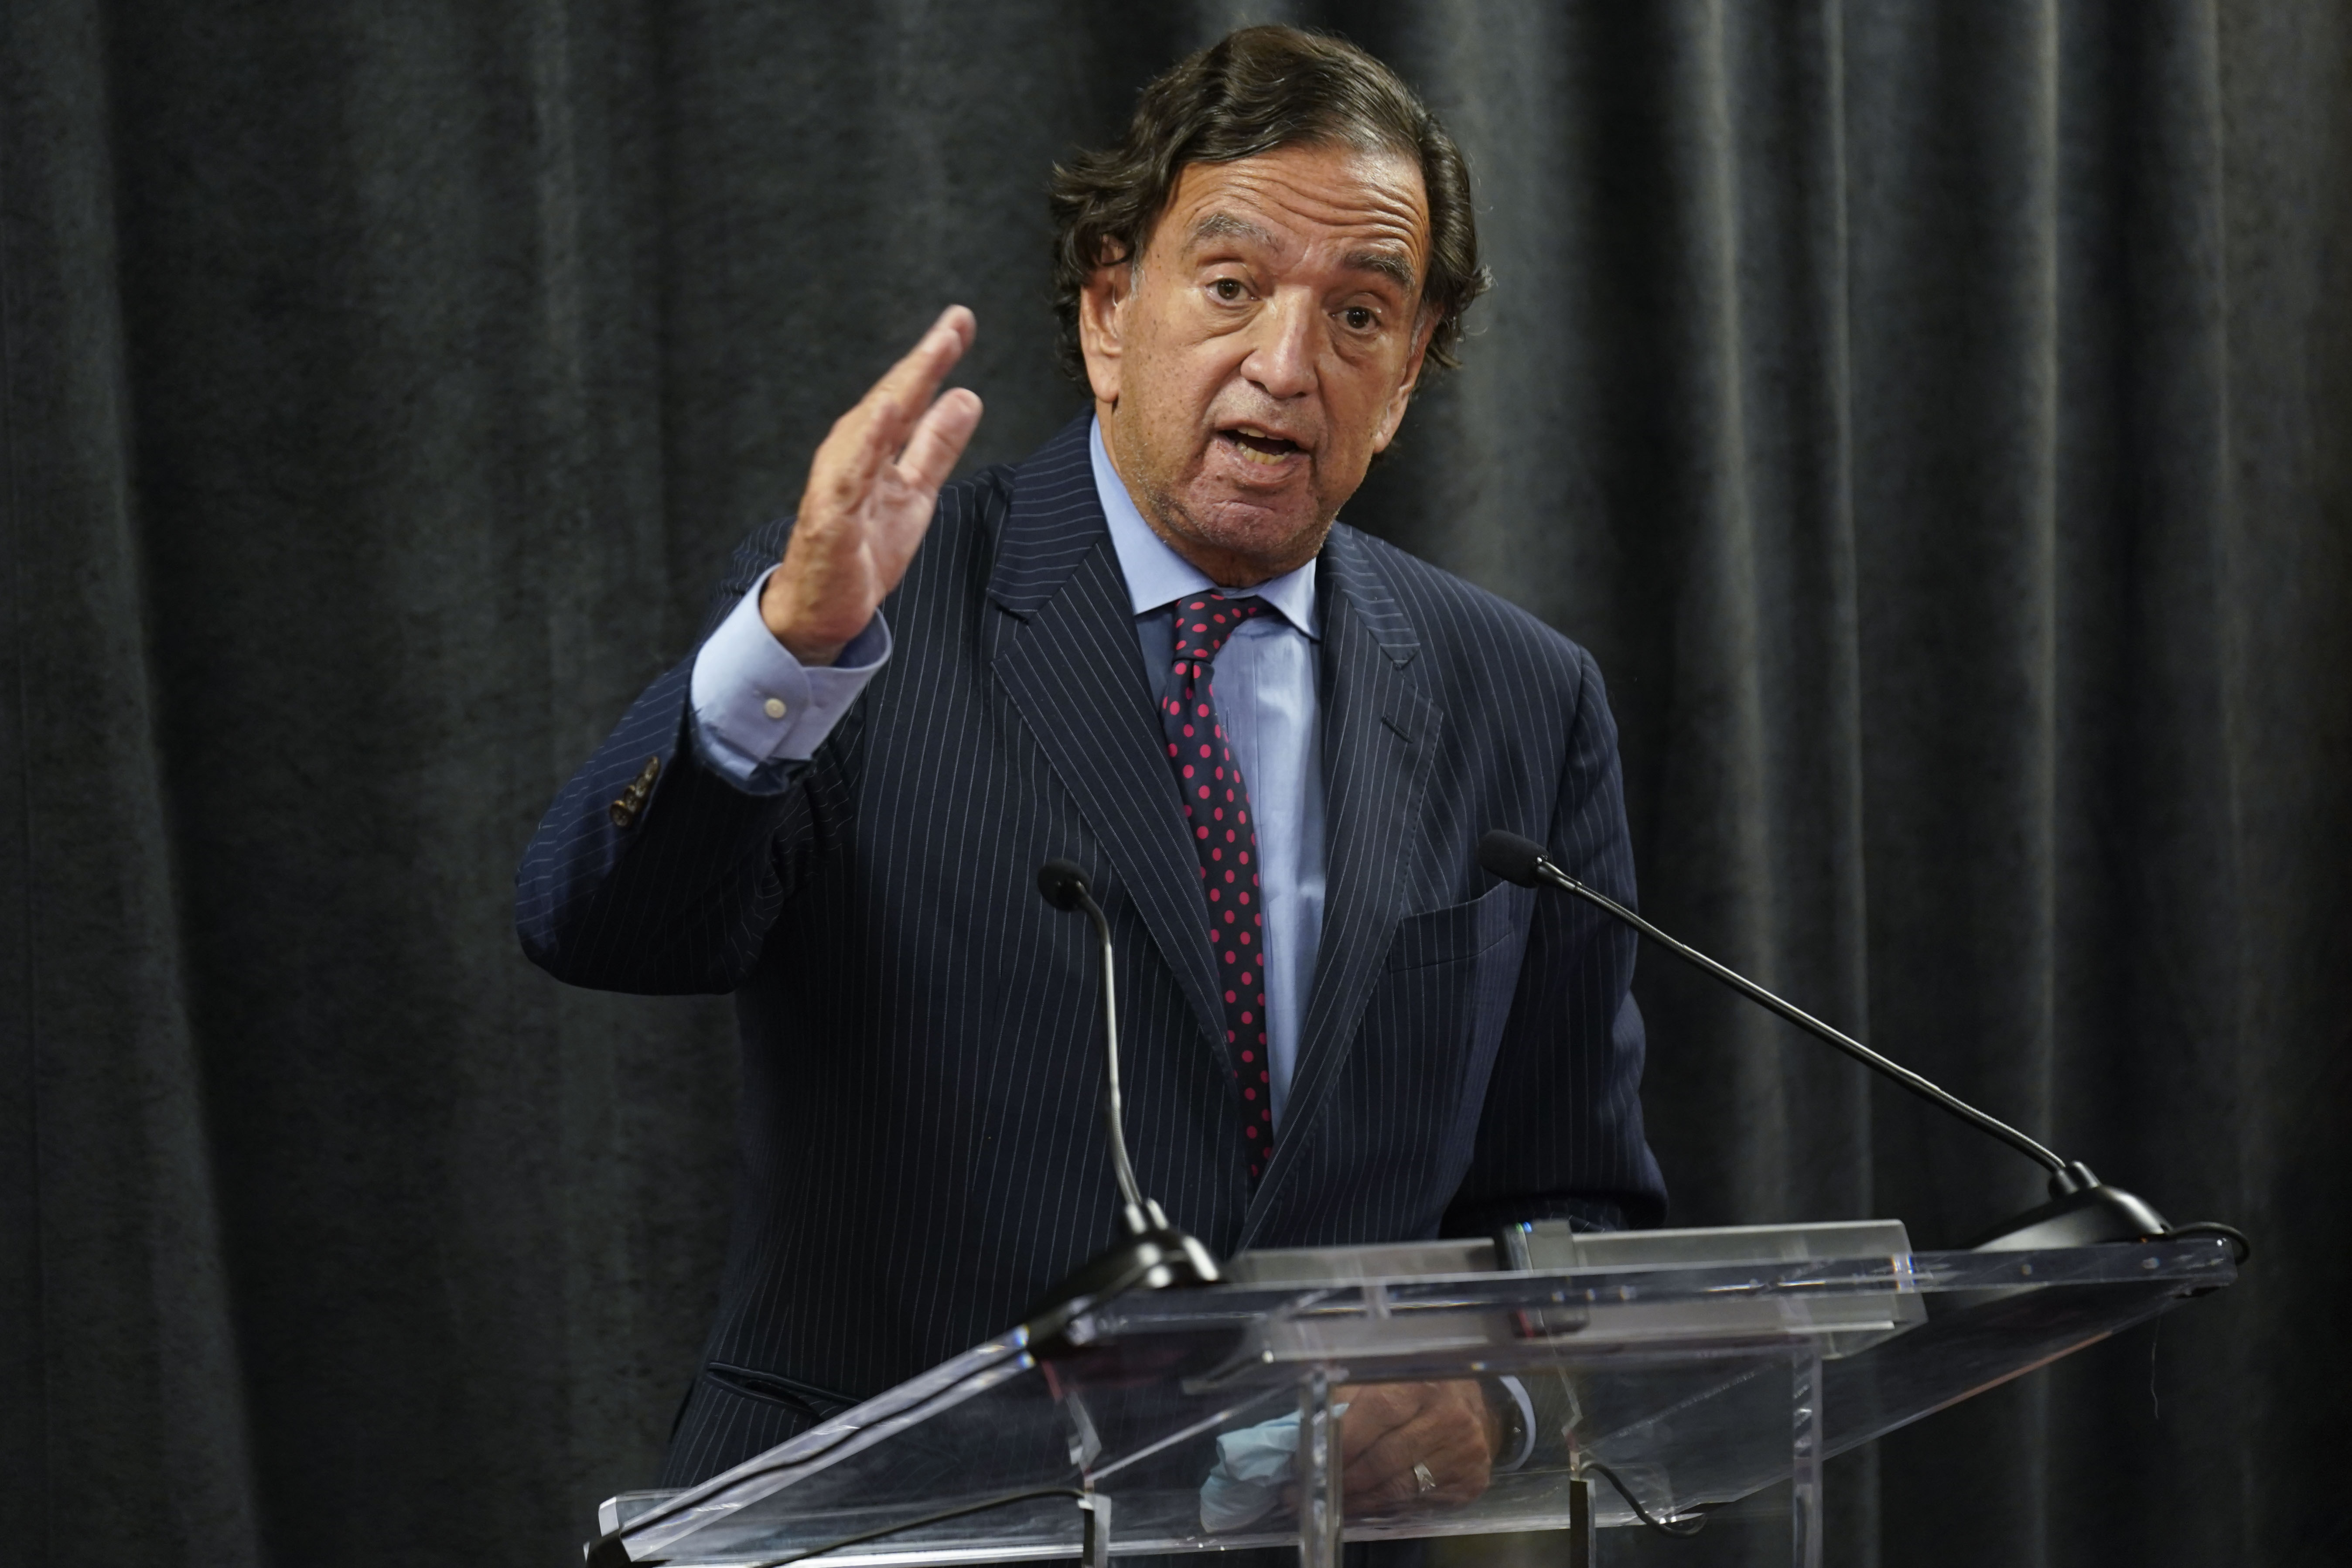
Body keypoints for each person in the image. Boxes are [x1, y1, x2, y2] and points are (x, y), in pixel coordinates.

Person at [516, 24, 1664, 1513]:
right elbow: (605, 925)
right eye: (1234, 286)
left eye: (1362, 315)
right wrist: (782, 656)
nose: (1285, 363)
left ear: (1408, 374)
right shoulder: (874, 608)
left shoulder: (1520, 698)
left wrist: (1497, 1398)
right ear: (1112, 303)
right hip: (893, 1521)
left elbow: (1561, 1200)